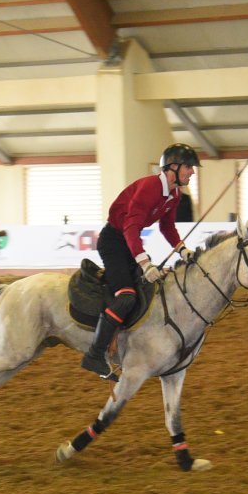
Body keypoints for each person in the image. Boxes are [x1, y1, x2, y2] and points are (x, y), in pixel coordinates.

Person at [80, 143, 197, 380]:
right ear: (172, 166)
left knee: (150, 290)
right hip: (113, 241)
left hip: (128, 241)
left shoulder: (174, 194)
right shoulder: (150, 187)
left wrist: (183, 251)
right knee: (127, 296)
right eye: (188, 167)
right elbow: (130, 226)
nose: (192, 172)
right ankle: (95, 354)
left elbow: (167, 227)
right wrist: (145, 264)